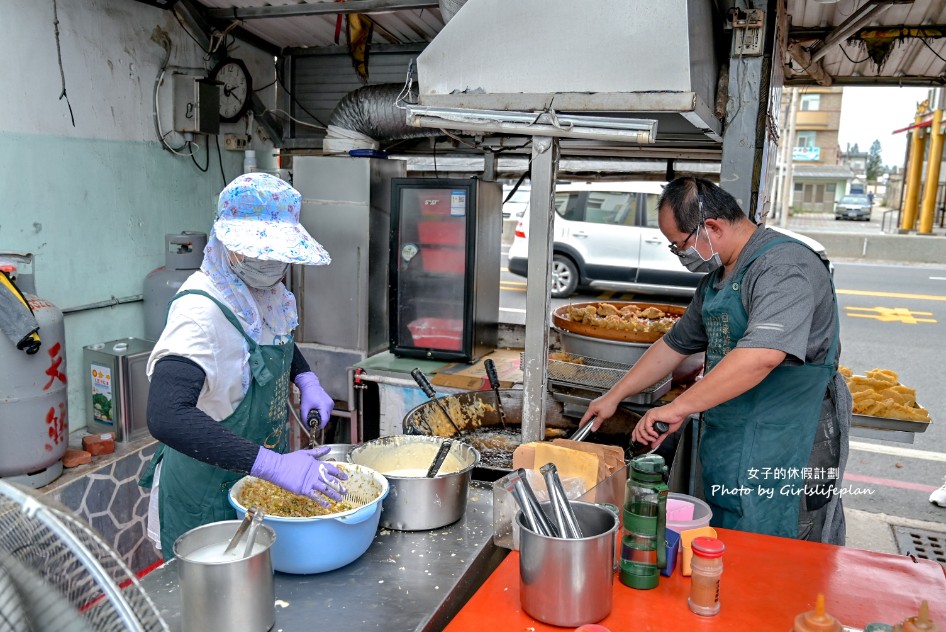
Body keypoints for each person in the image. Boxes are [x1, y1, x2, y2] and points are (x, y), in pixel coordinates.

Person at [579, 177, 852, 544]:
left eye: (680, 245)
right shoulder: (717, 279)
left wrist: (679, 408)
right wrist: (614, 395)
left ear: (712, 227)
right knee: (731, 539)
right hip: (734, 431)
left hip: (788, 437)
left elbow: (762, 356)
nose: (679, 255)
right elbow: (674, 345)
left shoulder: (783, 267)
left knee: (778, 547)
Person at [139, 173, 347, 557]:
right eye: (258, 252)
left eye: (277, 254)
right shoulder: (198, 312)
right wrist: (273, 465)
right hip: (208, 493)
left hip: (255, 483)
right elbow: (166, 415)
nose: (269, 263)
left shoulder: (264, 293)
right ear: (226, 243)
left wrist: (305, 377)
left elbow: (270, 336)